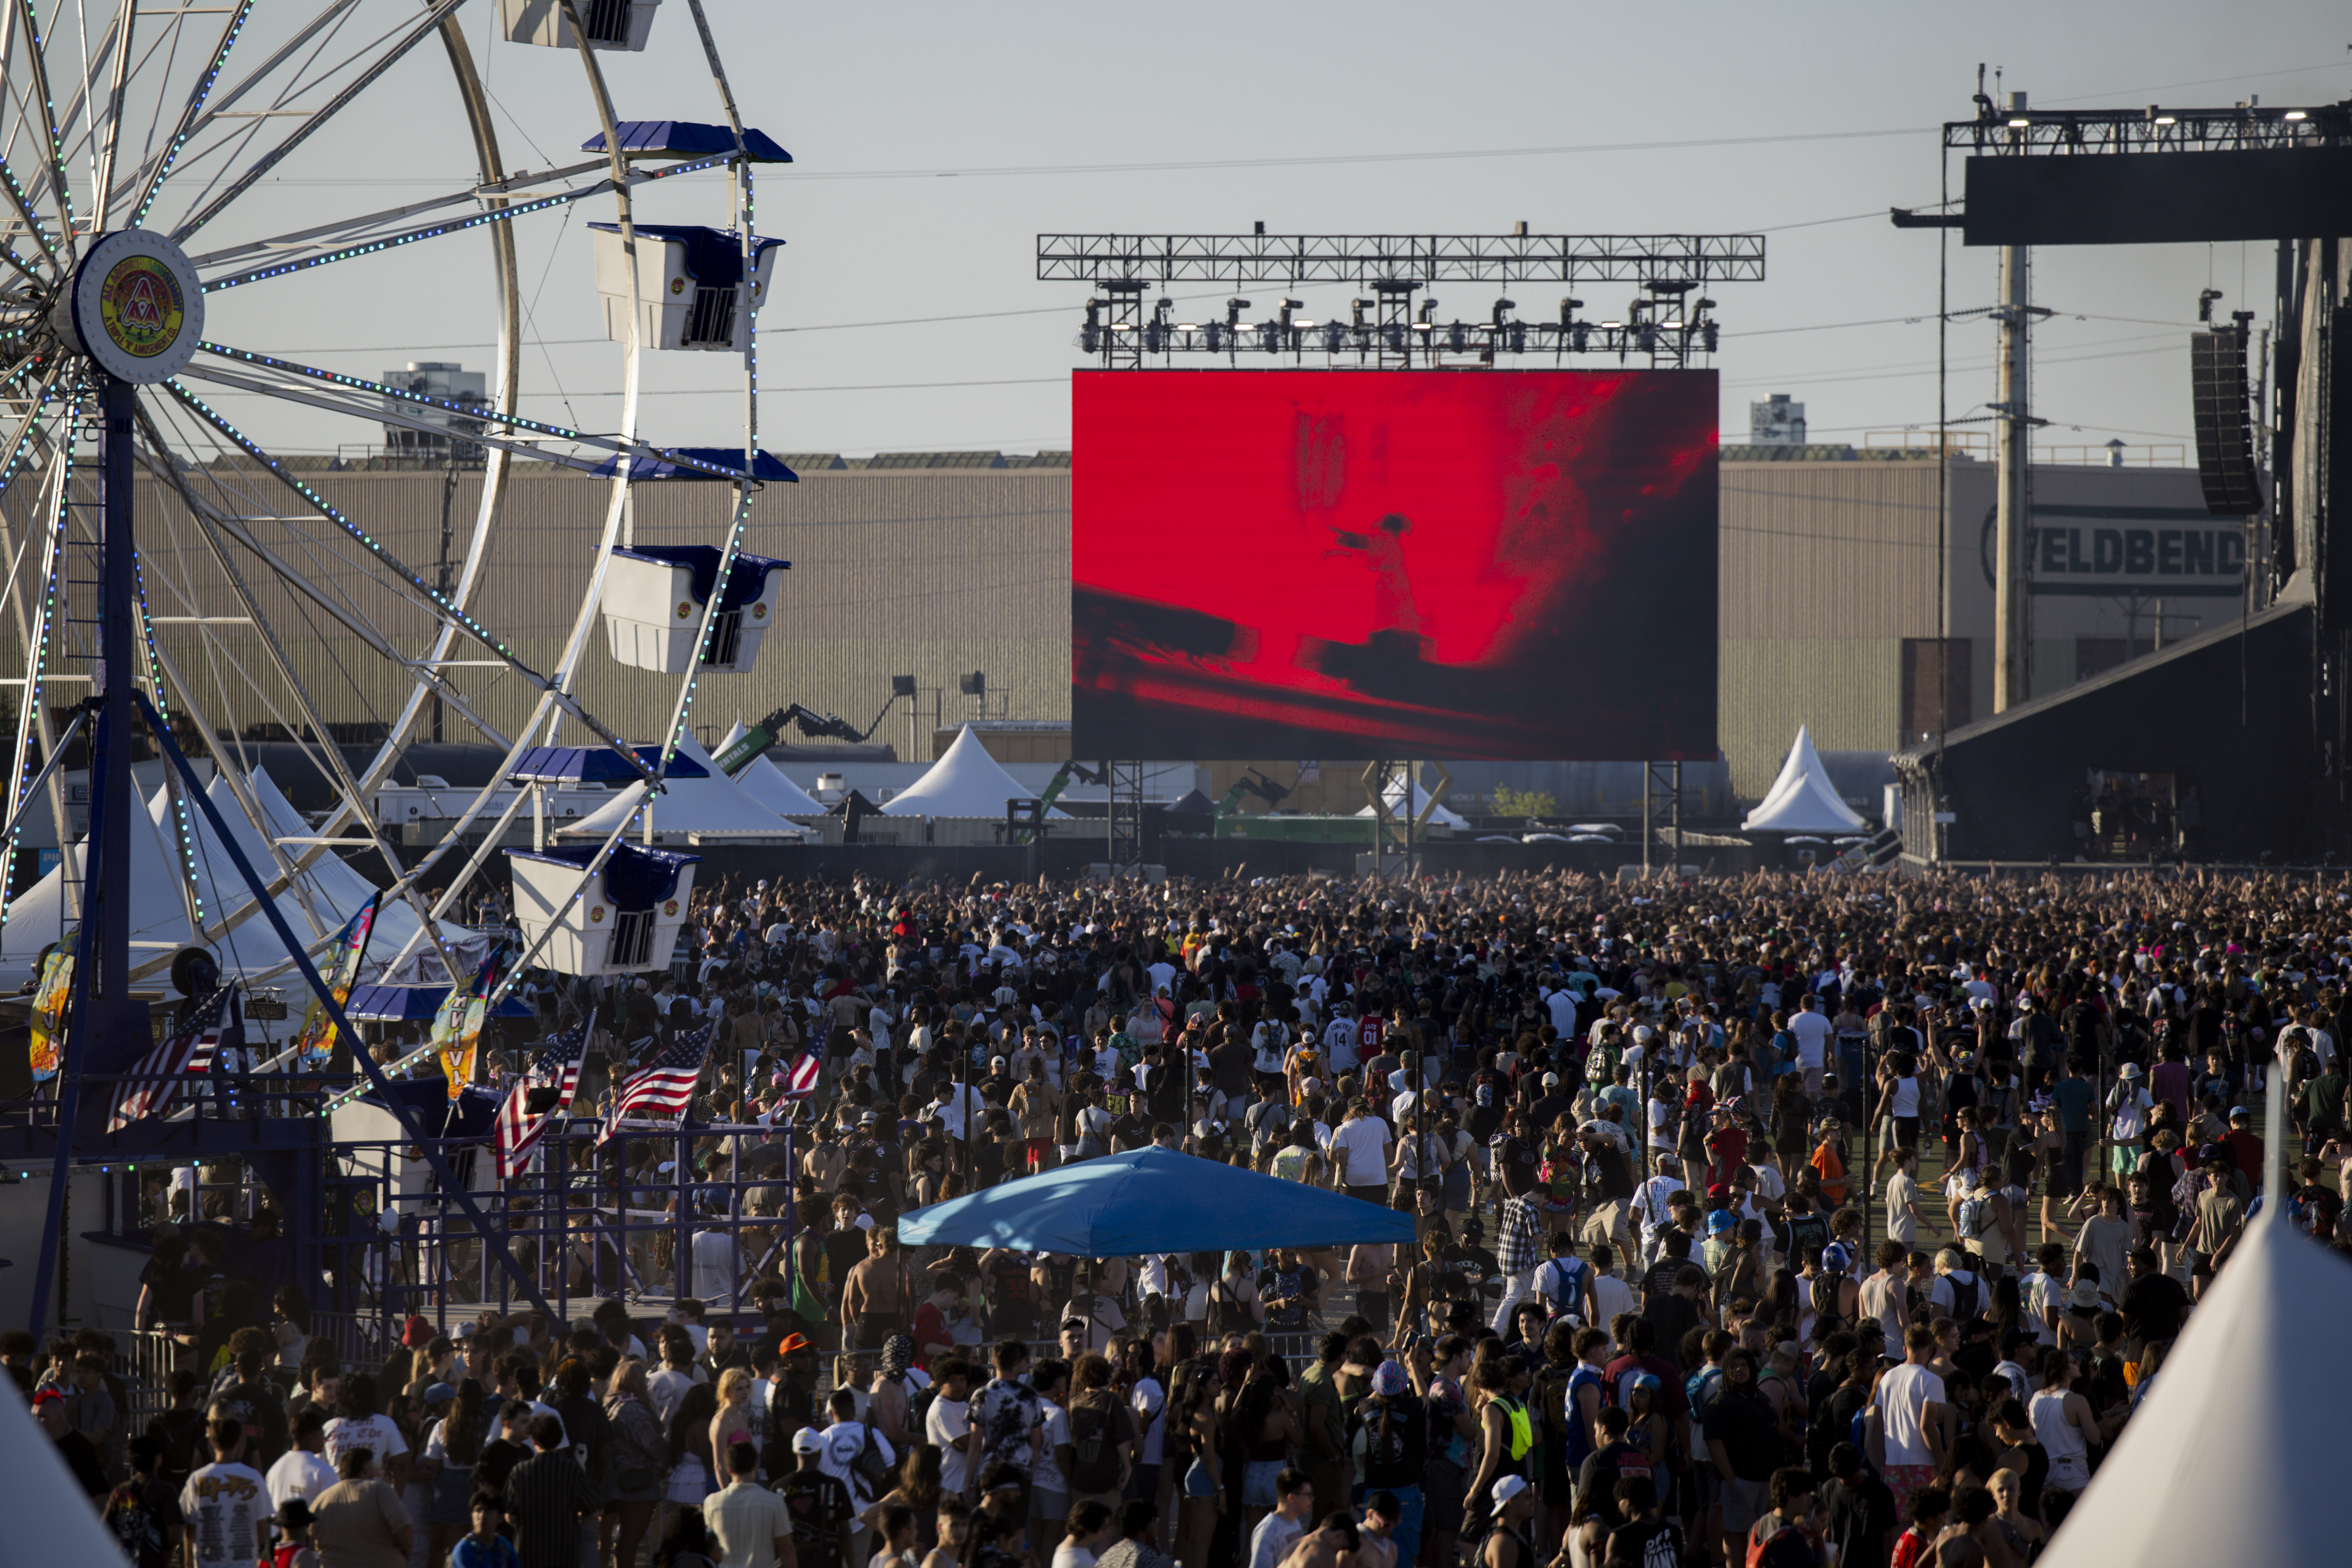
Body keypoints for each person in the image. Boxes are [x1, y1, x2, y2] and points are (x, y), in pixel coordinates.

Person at [1864, 1325, 1947, 1517]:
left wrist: (1883, 1464)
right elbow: (1927, 1426)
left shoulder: (1887, 1378)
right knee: (1928, 1521)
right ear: (1929, 1350)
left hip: (1895, 1463)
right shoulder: (1932, 1381)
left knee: (1899, 1522)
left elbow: (1877, 1425)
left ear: (1904, 1349)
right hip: (1924, 1463)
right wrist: (1943, 1466)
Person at [502, 1416, 600, 1568]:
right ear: (559, 1439)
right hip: (564, 1553)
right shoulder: (572, 1470)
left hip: (528, 1553)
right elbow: (592, 1512)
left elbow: (510, 1516)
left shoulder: (519, 1472)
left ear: (534, 1440)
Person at [179, 1415, 270, 1568]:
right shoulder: (254, 1478)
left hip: (206, 1563)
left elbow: (190, 1527)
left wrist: (188, 1561)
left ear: (212, 1442)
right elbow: (262, 1524)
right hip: (244, 1563)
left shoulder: (197, 1479)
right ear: (239, 1441)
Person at [309, 1443, 416, 1567]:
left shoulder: (322, 1499)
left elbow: (310, 1538)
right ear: (366, 1469)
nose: (377, 1471)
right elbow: (404, 1526)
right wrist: (406, 1553)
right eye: (374, 1466)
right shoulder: (380, 1490)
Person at [705, 1439, 795, 1568]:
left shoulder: (712, 1503)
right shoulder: (774, 1502)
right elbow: (787, 1550)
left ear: (729, 1470)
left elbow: (710, 1549)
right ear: (755, 1466)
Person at [780, 1428, 858, 1568]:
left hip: (791, 1562)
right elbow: (845, 1533)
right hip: (827, 1562)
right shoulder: (835, 1486)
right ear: (820, 1452)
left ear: (795, 1452)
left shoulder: (780, 1487)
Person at [104, 1433, 185, 1568]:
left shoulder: (119, 1492)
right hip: (154, 1562)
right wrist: (166, 1555)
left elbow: (105, 1530)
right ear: (157, 1458)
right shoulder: (166, 1490)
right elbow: (173, 1535)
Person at [1598, 1475, 1680, 1568]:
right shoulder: (1674, 1531)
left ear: (1629, 1501)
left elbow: (1609, 1564)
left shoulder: (1620, 1535)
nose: (1619, 1505)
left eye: (1620, 1500)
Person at [1246, 1469, 1312, 1568]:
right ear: (1292, 1498)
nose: (1312, 1499)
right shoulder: (1268, 1532)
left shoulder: (1296, 1523)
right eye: (1308, 1495)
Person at [1095, 1498, 1175, 1568]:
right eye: (1155, 1520)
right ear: (1144, 1523)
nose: (1157, 1525)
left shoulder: (1109, 1554)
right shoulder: (1146, 1555)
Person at [448, 1493, 521, 1568]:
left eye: (489, 1511)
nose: (482, 1516)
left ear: (500, 1518)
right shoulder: (465, 1549)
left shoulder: (504, 1546)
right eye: (478, 1510)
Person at [1053, 1500, 1112, 1568]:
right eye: (1103, 1528)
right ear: (1088, 1529)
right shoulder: (1084, 1563)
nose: (1107, 1532)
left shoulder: (1063, 1548)